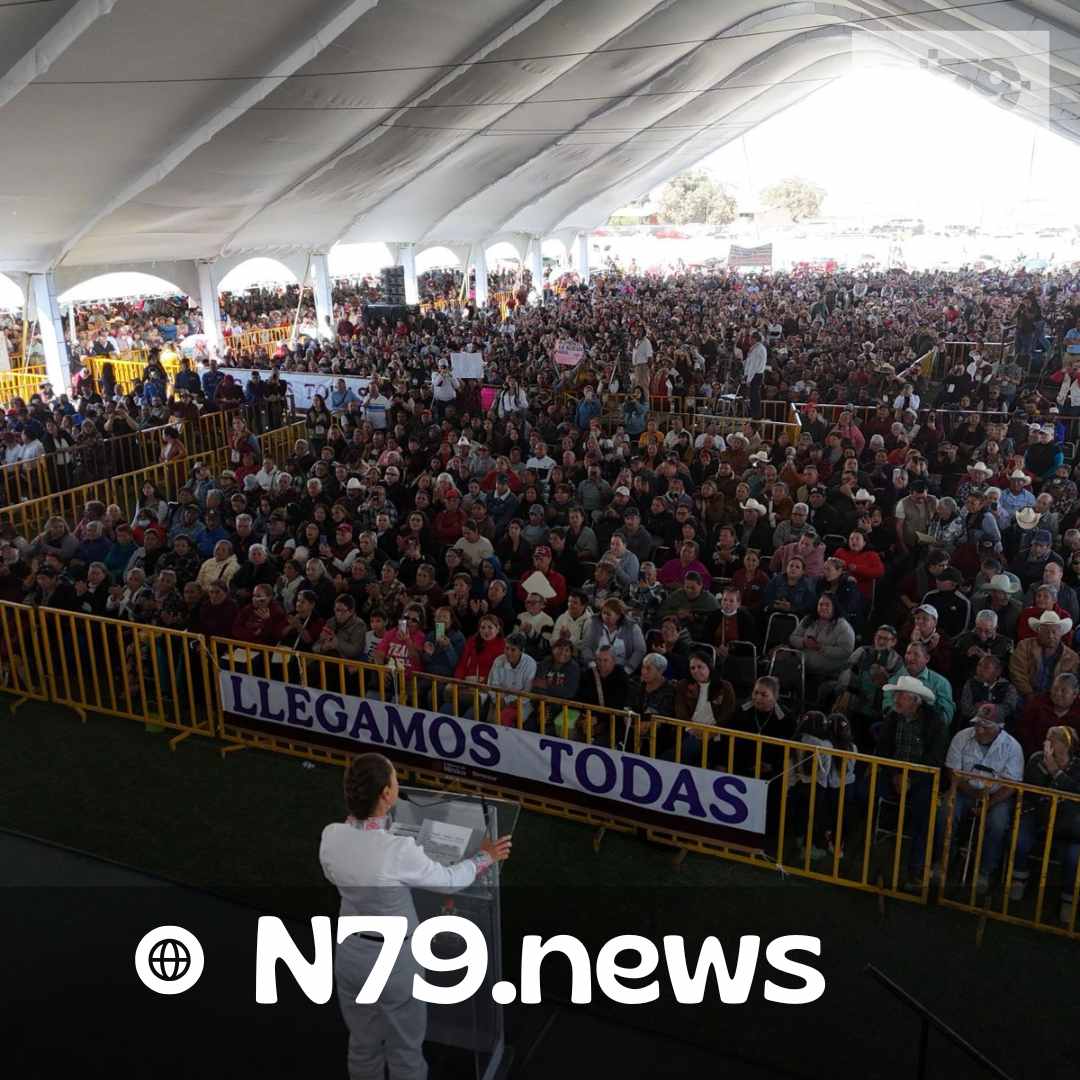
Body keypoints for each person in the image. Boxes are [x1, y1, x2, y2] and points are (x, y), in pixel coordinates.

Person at [320, 754, 511, 1080]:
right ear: (386, 794)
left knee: (362, 1043)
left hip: (350, 955)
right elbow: (448, 880)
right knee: (405, 1050)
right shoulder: (398, 850)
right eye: (395, 780)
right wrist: (485, 856)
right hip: (395, 962)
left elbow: (349, 862)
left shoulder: (331, 836)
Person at [934, 704, 1024, 892]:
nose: (979, 730)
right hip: (964, 790)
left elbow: (1011, 785)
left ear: (1000, 726)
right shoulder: (961, 737)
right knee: (946, 811)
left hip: (997, 797)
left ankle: (985, 870)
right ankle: (942, 860)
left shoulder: (1013, 747)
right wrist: (972, 794)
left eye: (986, 726)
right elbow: (952, 771)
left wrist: (987, 803)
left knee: (998, 823)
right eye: (977, 724)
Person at [1007, 725, 1080, 924]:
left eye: (1052, 739)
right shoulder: (1036, 759)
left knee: (1074, 856)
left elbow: (1076, 794)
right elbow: (1032, 792)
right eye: (1047, 738)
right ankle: (1019, 878)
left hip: (1069, 824)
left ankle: (1068, 898)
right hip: (1038, 815)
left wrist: (1056, 772)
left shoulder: (1078, 767)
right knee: (1020, 838)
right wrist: (1047, 769)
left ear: (1066, 745)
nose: (1046, 743)